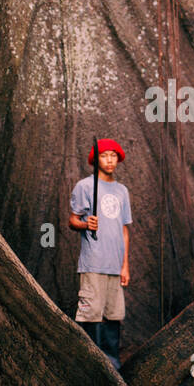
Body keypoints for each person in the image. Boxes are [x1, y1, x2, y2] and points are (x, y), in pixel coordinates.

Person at [68, 139, 131, 370]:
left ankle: (113, 366)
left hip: (115, 265)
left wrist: (125, 265)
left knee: (113, 314)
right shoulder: (85, 186)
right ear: (96, 160)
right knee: (91, 313)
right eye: (104, 156)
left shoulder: (122, 191)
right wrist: (86, 225)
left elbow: (124, 229)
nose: (109, 160)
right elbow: (72, 220)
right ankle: (90, 367)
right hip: (94, 262)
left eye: (113, 155)